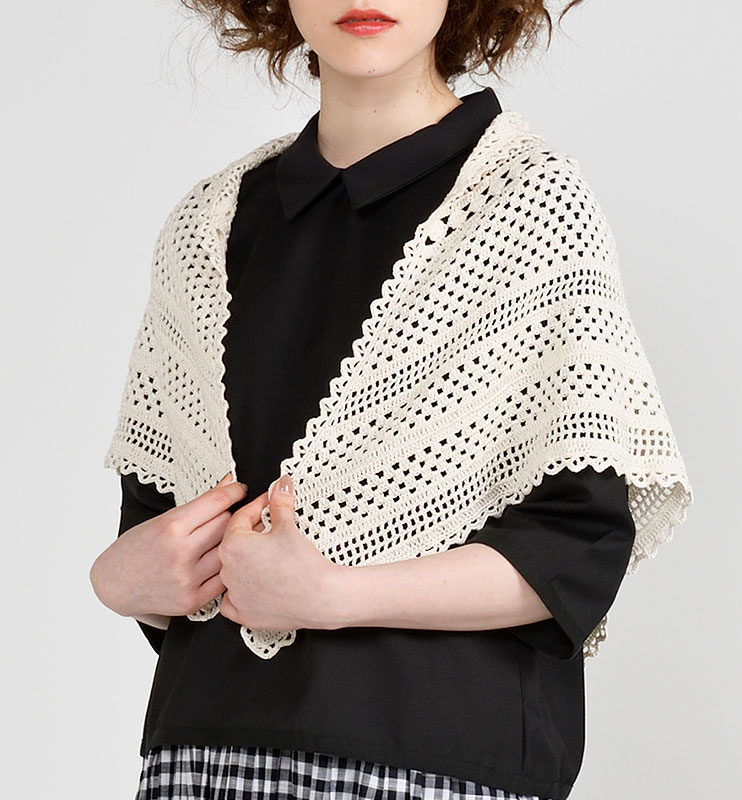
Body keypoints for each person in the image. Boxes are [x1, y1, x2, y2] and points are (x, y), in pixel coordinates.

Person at [91, 2, 692, 799]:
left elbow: (576, 549)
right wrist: (118, 582)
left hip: (438, 759)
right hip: (204, 753)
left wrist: (335, 596)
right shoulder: (210, 225)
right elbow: (163, 533)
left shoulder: (529, 206)